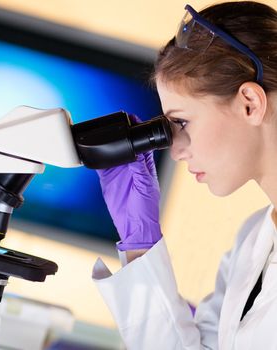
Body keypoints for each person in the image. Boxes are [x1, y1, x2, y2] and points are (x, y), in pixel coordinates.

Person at [91, 1, 277, 349]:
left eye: (181, 122)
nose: (175, 151)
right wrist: (140, 245)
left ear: (250, 102)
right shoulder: (255, 238)